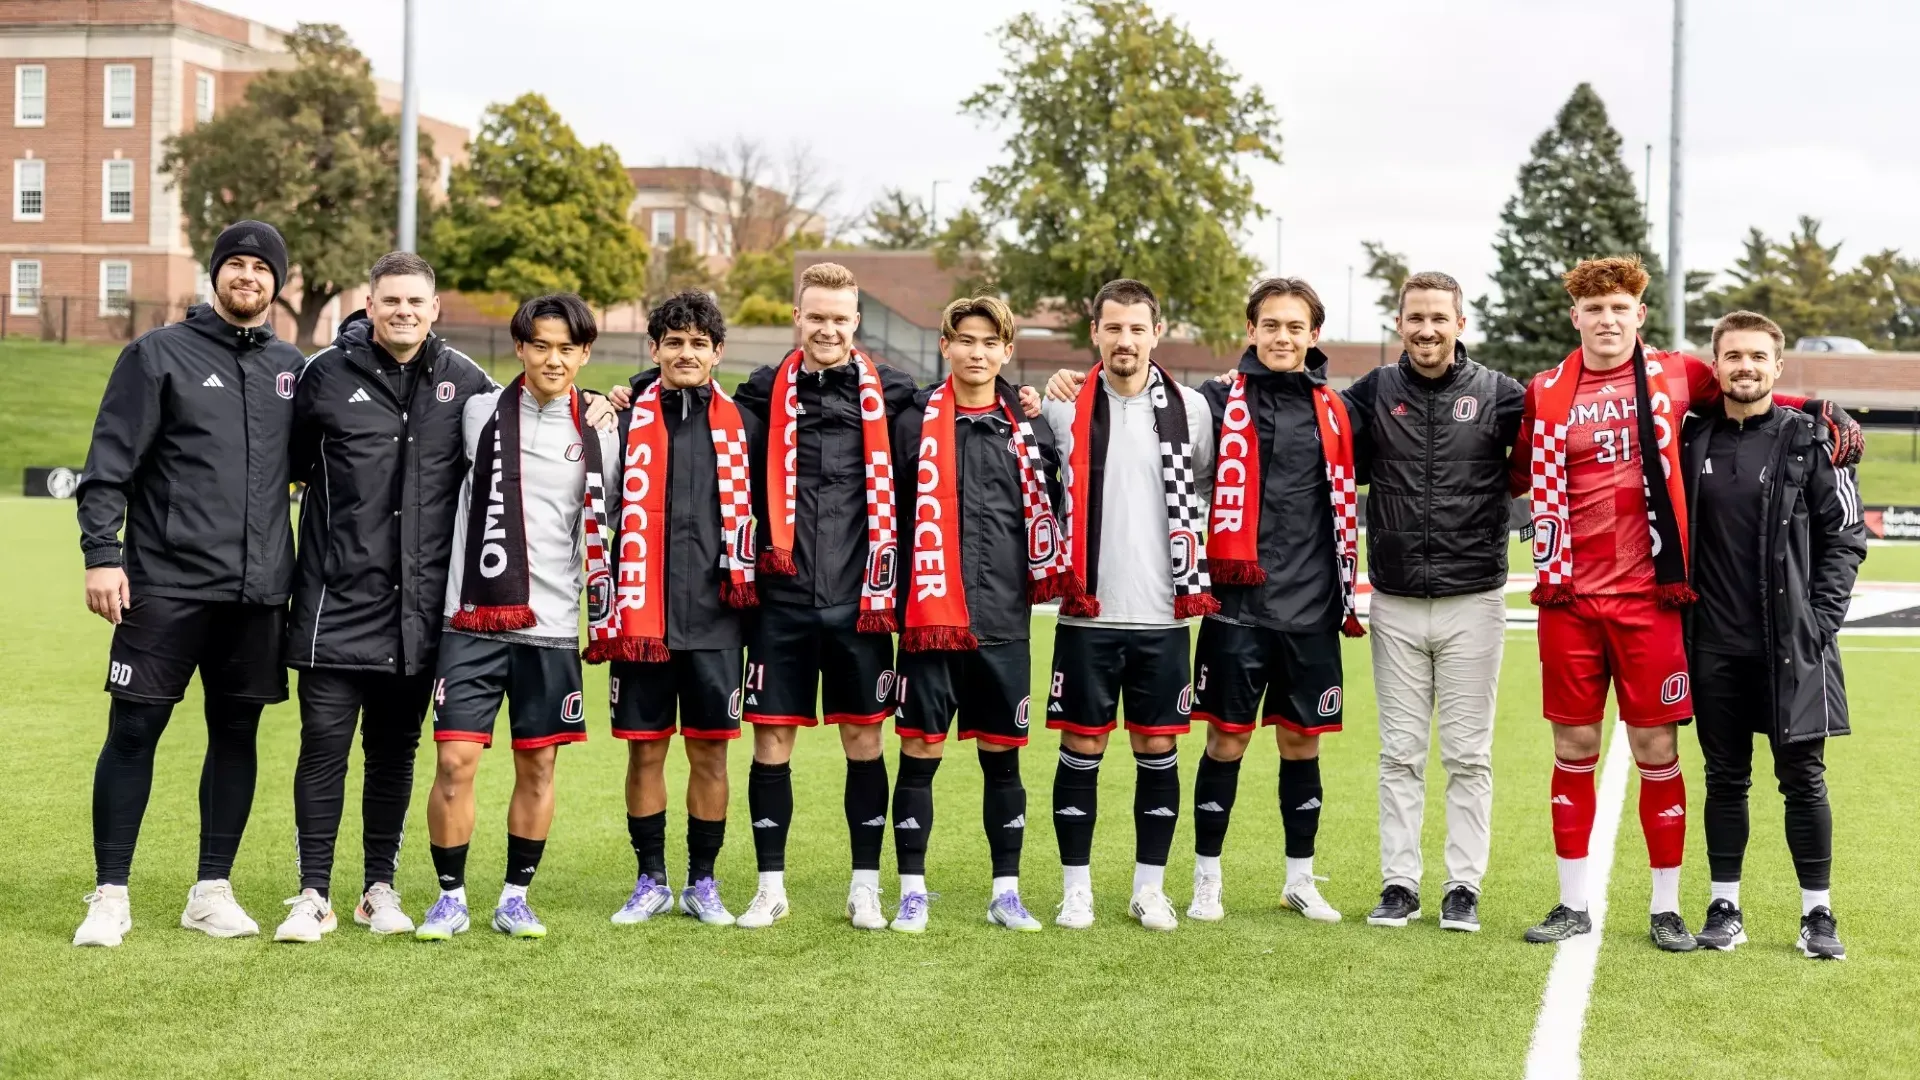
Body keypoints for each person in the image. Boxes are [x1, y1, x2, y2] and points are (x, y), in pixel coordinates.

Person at [73, 220, 305, 947]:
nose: (248, 277)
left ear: (277, 283)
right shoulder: (157, 354)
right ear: (215, 275)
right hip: (164, 584)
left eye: (262, 268)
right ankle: (110, 894)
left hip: (259, 591)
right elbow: (108, 466)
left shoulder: (293, 366)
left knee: (236, 732)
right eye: (235, 264)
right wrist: (100, 555)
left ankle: (211, 890)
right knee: (135, 728)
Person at [274, 252, 497, 942]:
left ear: (435, 311)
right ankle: (313, 894)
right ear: (369, 305)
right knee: (324, 748)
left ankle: (379, 888)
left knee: (395, 752)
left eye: (416, 302)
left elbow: (520, 439)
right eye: (390, 300)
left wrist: (603, 410)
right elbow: (285, 466)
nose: (403, 311)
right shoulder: (323, 377)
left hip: (419, 615)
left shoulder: (466, 382)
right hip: (333, 606)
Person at [413, 294, 620, 941]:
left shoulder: (603, 431)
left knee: (539, 768)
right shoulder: (477, 413)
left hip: (553, 628)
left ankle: (514, 897)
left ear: (584, 353)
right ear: (521, 347)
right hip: (470, 620)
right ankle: (449, 898)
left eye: (567, 347)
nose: (553, 358)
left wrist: (619, 400)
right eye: (540, 344)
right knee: (454, 764)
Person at [729, 262, 919, 930]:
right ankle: (770, 886)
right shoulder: (761, 389)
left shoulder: (894, 393)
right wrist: (626, 394)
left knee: (864, 742)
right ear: (796, 319)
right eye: (817, 316)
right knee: (770, 742)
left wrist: (1035, 399)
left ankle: (865, 885)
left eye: (840, 318)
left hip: (862, 601)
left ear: (856, 323)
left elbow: (970, 401)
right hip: (780, 601)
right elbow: (696, 401)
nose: (828, 328)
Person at [1342, 272, 1524, 933]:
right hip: (1393, 600)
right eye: (1414, 317)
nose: (1425, 329)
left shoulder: (1501, 395)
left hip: (1473, 600)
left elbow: (1567, 429)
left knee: (1469, 754)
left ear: (1460, 323)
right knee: (1399, 753)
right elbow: (1314, 429)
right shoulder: (1372, 393)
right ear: (1398, 324)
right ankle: (1399, 884)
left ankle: (1463, 888)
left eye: (1438, 318)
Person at [1680, 310, 1865, 959]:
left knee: (1804, 781)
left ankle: (1818, 915)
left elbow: (1845, 536)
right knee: (1725, 779)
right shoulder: (1691, 438)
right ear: (1717, 364)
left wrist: (1820, 621)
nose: (1746, 367)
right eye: (1734, 356)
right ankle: (1724, 904)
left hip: (1793, 647)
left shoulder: (1813, 440)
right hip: (1713, 648)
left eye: (1758, 357)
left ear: (1777, 366)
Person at [1038, 279, 1216, 932]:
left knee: (1157, 746)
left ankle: (1149, 889)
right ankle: (1076, 889)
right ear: (1096, 334)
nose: (1125, 340)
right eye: (1114, 328)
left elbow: (1201, 479)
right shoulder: (1064, 408)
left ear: (1155, 333)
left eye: (1137, 328)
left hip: (1164, 614)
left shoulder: (1191, 410)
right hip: (1089, 612)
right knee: (1081, 744)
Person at [886, 295, 1066, 934]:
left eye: (990, 342)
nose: (977, 352)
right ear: (945, 345)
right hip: (929, 620)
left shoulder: (1029, 423)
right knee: (919, 749)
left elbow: (1057, 509)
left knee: (1003, 756)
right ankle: (912, 890)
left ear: (1007, 351)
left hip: (1002, 620)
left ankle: (1006, 891)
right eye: (965, 339)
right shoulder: (910, 421)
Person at [1186, 277, 1362, 926]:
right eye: (1270, 325)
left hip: (1314, 609)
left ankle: (1299, 880)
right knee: (1226, 741)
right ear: (1252, 330)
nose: (1282, 337)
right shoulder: (1213, 401)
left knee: (1301, 744)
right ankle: (1208, 879)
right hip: (1237, 608)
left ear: (1314, 336)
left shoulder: (1340, 410)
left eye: (1295, 327)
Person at [603, 292, 760, 928]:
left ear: (717, 353)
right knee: (644, 752)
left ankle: (703, 880)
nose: (686, 352)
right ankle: (650, 880)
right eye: (674, 342)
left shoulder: (745, 422)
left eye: (699, 343)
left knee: (711, 755)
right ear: (655, 350)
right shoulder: (622, 418)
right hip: (642, 615)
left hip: (718, 616)